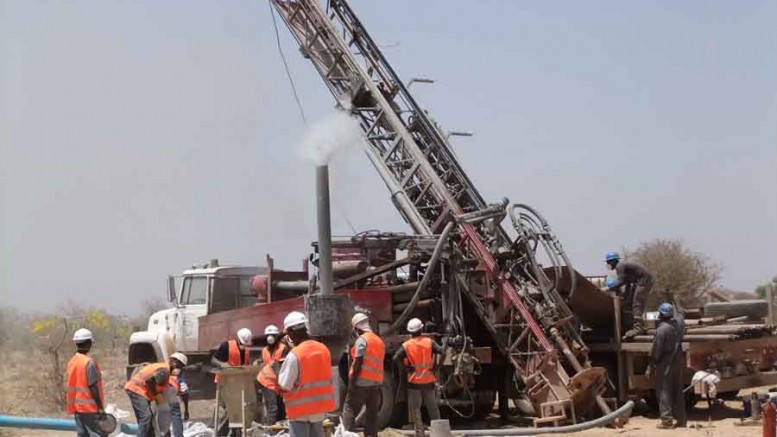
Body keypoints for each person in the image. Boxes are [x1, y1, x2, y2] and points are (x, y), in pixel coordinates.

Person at [278, 311, 336, 437]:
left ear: (291, 333)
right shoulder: (323, 349)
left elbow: (284, 385)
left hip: (299, 412)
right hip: (319, 410)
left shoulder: (295, 355)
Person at [393, 318, 443, 437]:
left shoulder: (406, 345)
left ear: (410, 332)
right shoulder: (429, 342)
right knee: (433, 409)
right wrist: (437, 366)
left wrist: (406, 369)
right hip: (429, 381)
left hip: (414, 382)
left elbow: (395, 358)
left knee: (416, 410)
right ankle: (439, 433)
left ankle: (419, 434)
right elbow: (443, 351)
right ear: (421, 329)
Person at [342, 313, 385, 437]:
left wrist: (351, 383)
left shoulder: (362, 340)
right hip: (375, 383)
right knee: (372, 415)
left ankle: (347, 434)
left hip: (361, 382)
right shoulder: (378, 340)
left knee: (349, 408)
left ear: (356, 328)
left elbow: (358, 363)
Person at [124, 355, 186, 437]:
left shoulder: (165, 370)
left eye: (181, 367)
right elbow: (149, 381)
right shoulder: (165, 370)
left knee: (146, 418)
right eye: (178, 366)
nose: (179, 369)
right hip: (137, 389)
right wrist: (156, 395)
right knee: (146, 416)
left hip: (140, 390)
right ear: (173, 362)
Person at [646, 303, 685, 429]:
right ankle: (681, 420)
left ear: (660, 314)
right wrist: (676, 302)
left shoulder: (662, 330)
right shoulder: (678, 325)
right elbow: (681, 315)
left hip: (665, 363)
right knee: (677, 391)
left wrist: (651, 366)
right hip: (678, 362)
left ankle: (667, 421)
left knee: (664, 391)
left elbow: (656, 351)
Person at [603, 251, 655, 339]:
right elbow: (627, 283)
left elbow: (621, 281)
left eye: (608, 262)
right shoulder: (623, 268)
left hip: (643, 281)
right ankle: (637, 325)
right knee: (631, 302)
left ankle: (638, 328)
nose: (608, 264)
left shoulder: (620, 267)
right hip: (639, 281)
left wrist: (608, 288)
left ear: (613, 261)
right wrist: (625, 299)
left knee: (637, 303)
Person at [66, 328, 107, 437]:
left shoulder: (72, 362)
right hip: (91, 409)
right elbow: (92, 386)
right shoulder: (89, 362)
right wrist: (100, 408)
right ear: (88, 343)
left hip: (78, 408)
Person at [257, 324, 289, 425]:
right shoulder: (264, 350)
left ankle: (280, 430)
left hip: (278, 382)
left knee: (281, 408)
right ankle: (270, 431)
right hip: (267, 381)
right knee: (273, 408)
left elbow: (283, 365)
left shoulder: (283, 348)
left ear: (276, 336)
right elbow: (263, 364)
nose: (270, 338)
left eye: (272, 335)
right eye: (268, 335)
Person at [167, 352, 190, 437]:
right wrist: (186, 410)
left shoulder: (162, 368)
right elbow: (185, 393)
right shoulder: (179, 376)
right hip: (170, 395)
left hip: (158, 395)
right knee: (175, 414)